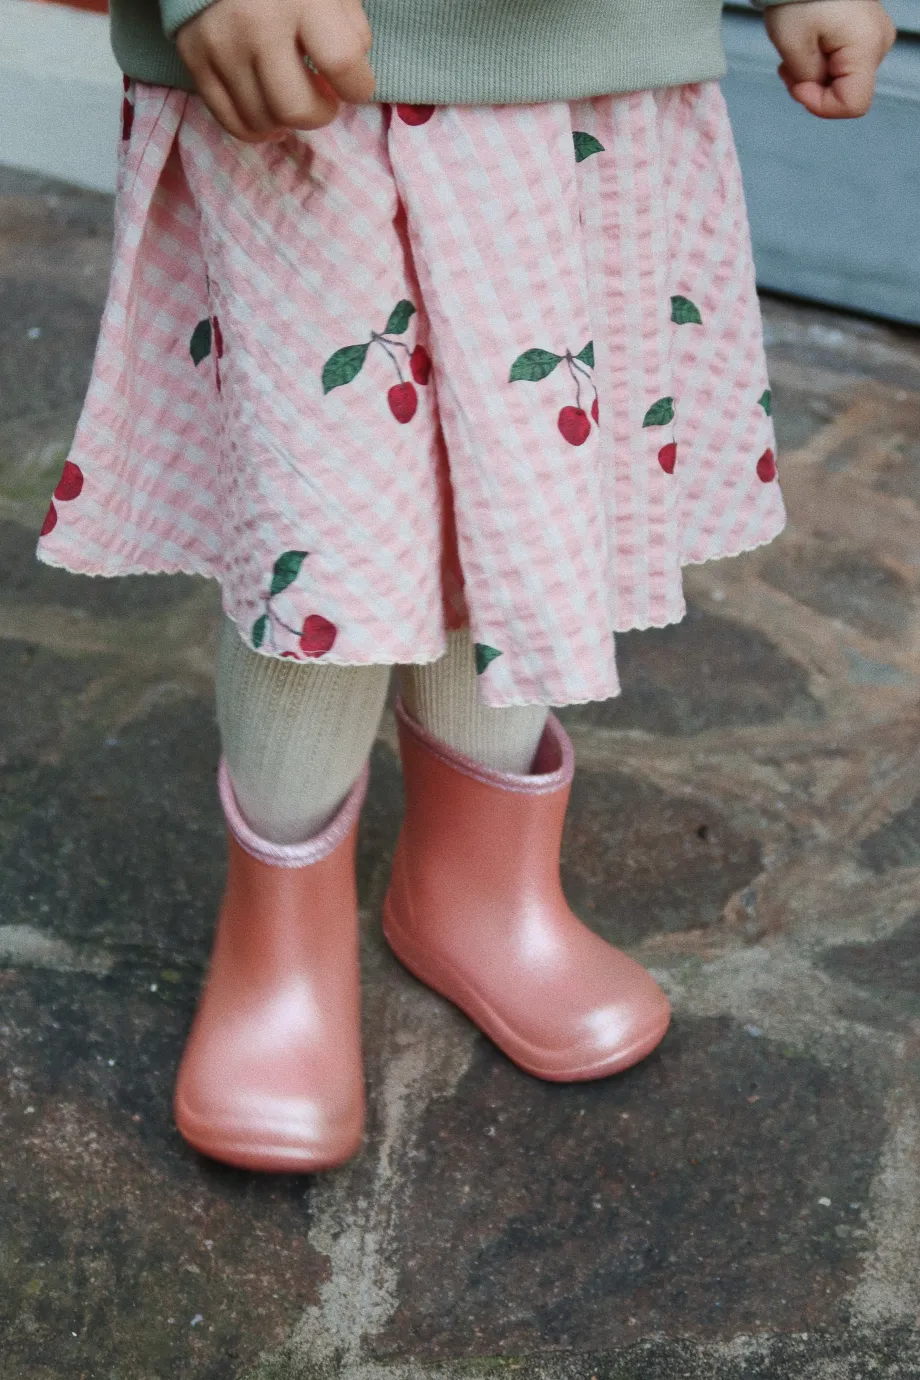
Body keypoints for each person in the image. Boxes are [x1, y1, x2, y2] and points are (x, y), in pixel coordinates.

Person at [37, 0, 895, 1172]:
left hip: (591, 62)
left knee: (527, 491)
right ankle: (279, 945)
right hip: (313, 74)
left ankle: (471, 894)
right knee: (322, 530)